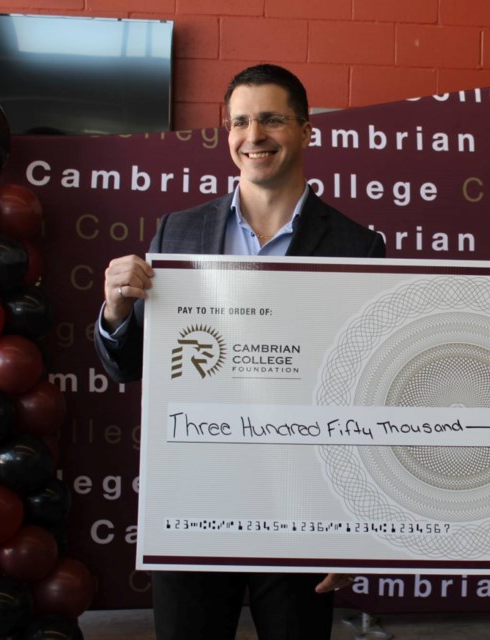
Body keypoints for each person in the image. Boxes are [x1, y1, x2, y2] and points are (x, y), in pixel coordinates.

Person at [94, 64, 385, 640]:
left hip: (304, 504)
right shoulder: (176, 233)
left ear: (306, 130)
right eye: (241, 121)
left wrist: (353, 528)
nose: (254, 135)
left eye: (272, 119)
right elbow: (125, 365)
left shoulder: (358, 246)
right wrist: (115, 312)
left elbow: (369, 395)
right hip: (195, 497)